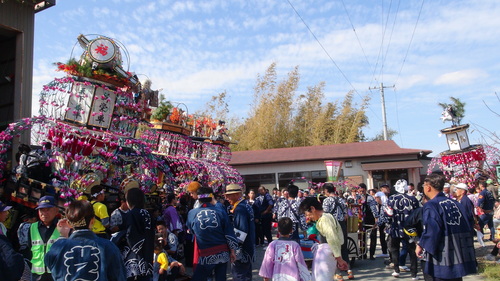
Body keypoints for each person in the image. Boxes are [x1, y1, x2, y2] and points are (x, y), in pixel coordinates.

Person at [44, 200, 126, 281]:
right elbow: (119, 276)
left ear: (69, 223)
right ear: (92, 221)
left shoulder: (59, 247)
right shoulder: (108, 246)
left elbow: (50, 264)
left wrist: (62, 236)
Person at [416, 173, 477, 281]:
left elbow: (432, 231)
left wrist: (421, 245)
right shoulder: (456, 203)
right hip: (459, 251)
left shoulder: (432, 205)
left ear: (428, 187)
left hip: (442, 254)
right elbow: (468, 224)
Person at [187, 187, 239, 281]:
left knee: (198, 278)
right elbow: (229, 233)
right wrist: (232, 251)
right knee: (220, 278)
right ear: (212, 197)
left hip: (206, 253)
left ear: (198, 199)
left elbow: (192, 231)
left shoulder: (192, 213)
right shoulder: (220, 211)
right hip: (222, 252)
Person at [299, 197, 348, 281]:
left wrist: (339, 259)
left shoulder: (325, 219)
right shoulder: (326, 217)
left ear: (313, 209)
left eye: (307, 214)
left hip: (326, 255)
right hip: (327, 254)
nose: (308, 217)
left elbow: (332, 239)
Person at [18, 196, 61, 281]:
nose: (44, 213)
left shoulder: (62, 227)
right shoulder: (32, 228)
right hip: (36, 276)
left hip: (57, 275)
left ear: (56, 211)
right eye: (41, 210)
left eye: (48, 209)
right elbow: (28, 249)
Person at [384, 179, 419, 279]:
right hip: (410, 229)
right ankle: (414, 274)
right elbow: (417, 213)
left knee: (395, 249)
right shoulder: (412, 199)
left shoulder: (392, 199)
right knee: (412, 251)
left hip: (395, 227)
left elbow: (388, 214)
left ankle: (396, 270)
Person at [224, 183, 256, 281]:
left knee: (239, 275)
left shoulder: (240, 208)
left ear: (237, 195)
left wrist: (233, 248)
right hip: (249, 245)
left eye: (229, 195)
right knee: (246, 275)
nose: (227, 198)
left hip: (242, 249)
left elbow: (240, 232)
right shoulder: (245, 205)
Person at [321, 183, 353, 280]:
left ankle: (338, 273)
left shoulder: (326, 201)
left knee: (334, 248)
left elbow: (325, 214)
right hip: (342, 224)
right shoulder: (341, 199)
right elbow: (346, 214)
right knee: (343, 247)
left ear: (326, 190)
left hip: (332, 225)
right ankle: (349, 271)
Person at [123, 187, 155, 281]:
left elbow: (130, 234)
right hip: (148, 252)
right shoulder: (148, 213)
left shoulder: (131, 214)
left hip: (135, 257)